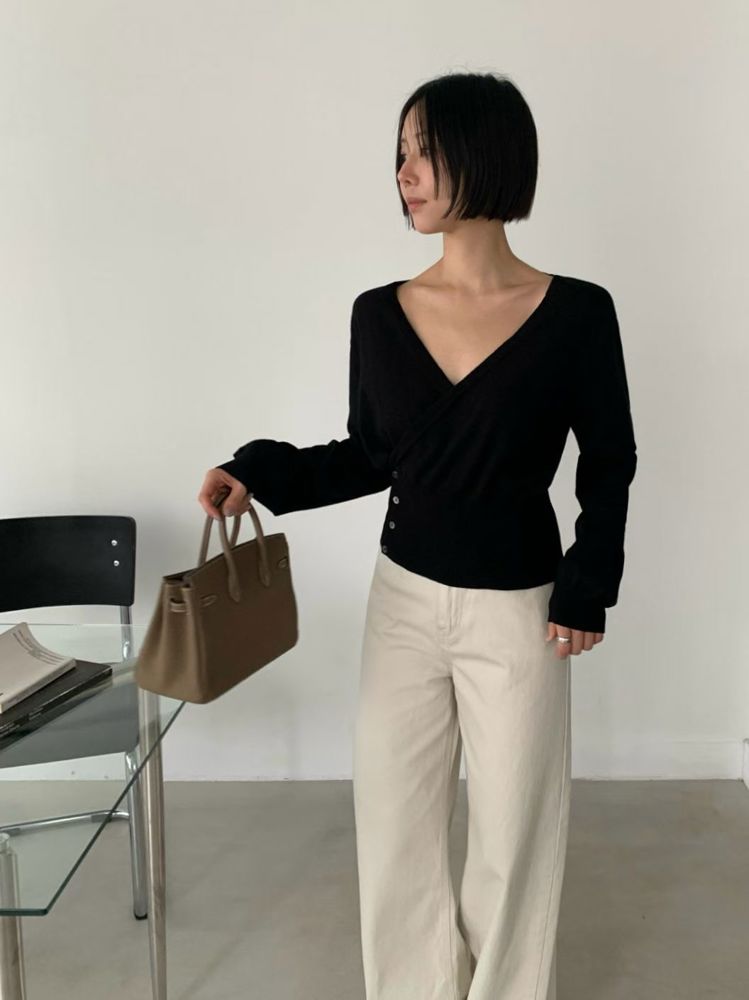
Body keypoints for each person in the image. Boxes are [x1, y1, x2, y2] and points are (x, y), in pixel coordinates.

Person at [197, 71, 637, 1000]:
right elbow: (370, 456)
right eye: (399, 152)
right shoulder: (379, 312)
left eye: (424, 150)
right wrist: (258, 473)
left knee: (512, 838)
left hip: (519, 611)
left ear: (486, 153)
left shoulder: (577, 314)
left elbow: (608, 461)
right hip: (400, 604)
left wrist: (587, 582)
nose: (403, 172)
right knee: (395, 829)